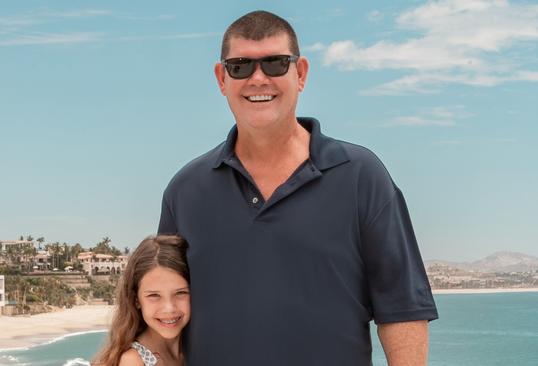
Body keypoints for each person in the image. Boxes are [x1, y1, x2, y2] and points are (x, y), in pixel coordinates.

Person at [158, 10, 438, 366]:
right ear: (221, 78)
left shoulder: (361, 176)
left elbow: (403, 310)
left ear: (301, 73)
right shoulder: (185, 191)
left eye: (275, 64)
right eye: (240, 66)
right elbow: (163, 313)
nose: (258, 79)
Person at [92, 235, 190, 366]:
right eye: (154, 295)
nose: (169, 308)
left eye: (180, 293)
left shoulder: (193, 349)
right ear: (136, 299)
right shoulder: (134, 361)